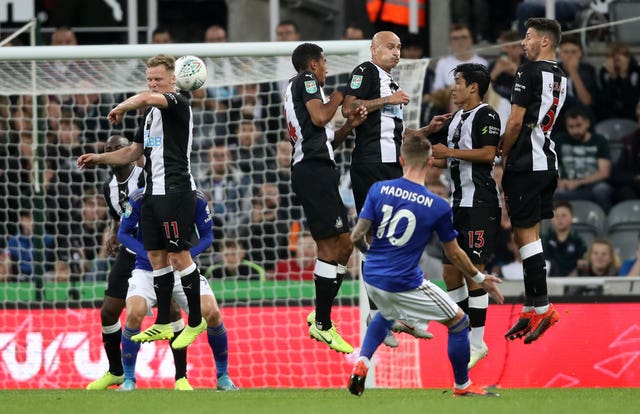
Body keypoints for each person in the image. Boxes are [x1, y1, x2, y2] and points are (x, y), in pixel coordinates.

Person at [347, 133, 503, 397]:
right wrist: (478, 277)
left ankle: (362, 361)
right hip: (404, 282)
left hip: (372, 278)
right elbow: (454, 255)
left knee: (385, 314)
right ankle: (463, 385)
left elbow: (356, 236)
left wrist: (371, 255)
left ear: (401, 159)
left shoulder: (378, 189)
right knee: (460, 321)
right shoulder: (437, 206)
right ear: (431, 161)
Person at [77, 54, 207, 349]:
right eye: (149, 80)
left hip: (175, 191)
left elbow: (148, 98)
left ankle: (196, 320)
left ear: (172, 79)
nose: (153, 85)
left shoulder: (177, 102)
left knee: (179, 257)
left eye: (158, 79)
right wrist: (98, 158)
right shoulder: (149, 116)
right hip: (152, 195)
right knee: (157, 256)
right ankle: (162, 321)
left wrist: (121, 105)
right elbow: (132, 153)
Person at [342, 30, 451, 344]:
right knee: (376, 236)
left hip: (391, 164)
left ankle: (394, 313)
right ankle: (378, 313)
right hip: (370, 163)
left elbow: (393, 133)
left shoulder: (391, 82)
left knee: (398, 237)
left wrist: (428, 130)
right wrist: (387, 100)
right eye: (390, 46)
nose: (397, 52)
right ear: (374, 49)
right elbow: (349, 108)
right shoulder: (366, 71)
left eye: (399, 47)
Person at [284, 42, 367, 354]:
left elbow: (326, 135)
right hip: (313, 171)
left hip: (317, 169)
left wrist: (349, 124)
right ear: (313, 64)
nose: (326, 69)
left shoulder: (302, 93)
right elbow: (320, 118)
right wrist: (339, 96)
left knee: (341, 245)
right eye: (324, 63)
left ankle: (321, 315)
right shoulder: (306, 80)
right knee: (340, 244)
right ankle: (322, 321)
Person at [117, 187, 237, 391]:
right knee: (133, 314)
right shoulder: (139, 197)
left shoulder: (196, 198)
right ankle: (128, 379)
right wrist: (149, 256)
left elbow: (207, 236)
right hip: (147, 271)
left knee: (213, 314)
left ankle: (222, 376)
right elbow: (123, 233)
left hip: (182, 270)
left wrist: (185, 257)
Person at [498, 18, 566, 344]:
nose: (523, 43)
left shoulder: (528, 72)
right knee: (529, 238)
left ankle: (544, 307)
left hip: (526, 162)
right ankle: (531, 306)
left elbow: (514, 122)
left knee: (525, 238)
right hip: (547, 161)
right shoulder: (560, 76)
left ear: (545, 42)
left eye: (528, 37)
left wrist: (501, 152)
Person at [431, 63, 501, 369]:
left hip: (481, 204)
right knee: (450, 272)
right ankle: (464, 331)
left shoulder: (488, 115)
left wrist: (449, 154)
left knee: (474, 270)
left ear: (474, 86)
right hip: (457, 203)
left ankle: (477, 342)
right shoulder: (458, 117)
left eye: (458, 82)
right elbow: (444, 157)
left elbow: (488, 154)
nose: (454, 87)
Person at [85, 136, 144, 390]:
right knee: (108, 311)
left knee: (172, 311)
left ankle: (180, 377)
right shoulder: (108, 186)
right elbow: (118, 216)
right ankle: (116, 371)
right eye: (107, 149)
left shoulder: (145, 176)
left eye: (116, 148)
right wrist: (113, 233)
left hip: (154, 249)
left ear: (128, 150)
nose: (111, 152)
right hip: (129, 251)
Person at [554, 106, 613, 212]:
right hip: (567, 187)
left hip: (591, 186)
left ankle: (604, 222)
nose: (575, 130)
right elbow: (550, 167)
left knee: (602, 190)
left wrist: (578, 182)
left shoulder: (599, 140)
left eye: (579, 125)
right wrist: (559, 182)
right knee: (554, 192)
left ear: (587, 123)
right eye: (571, 127)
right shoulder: (559, 141)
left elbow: (604, 172)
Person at [431, 24, 489, 92]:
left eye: (464, 37)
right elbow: (437, 91)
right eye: (455, 38)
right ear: (450, 42)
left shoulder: (482, 63)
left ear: (471, 40)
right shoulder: (442, 63)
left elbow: (486, 91)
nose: (460, 41)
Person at [542, 201, 588, 277]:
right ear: (551, 219)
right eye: (556, 216)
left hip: (573, 281)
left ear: (572, 217)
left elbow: (583, 262)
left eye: (564, 215)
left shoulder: (578, 240)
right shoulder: (545, 240)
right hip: (550, 280)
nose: (560, 219)